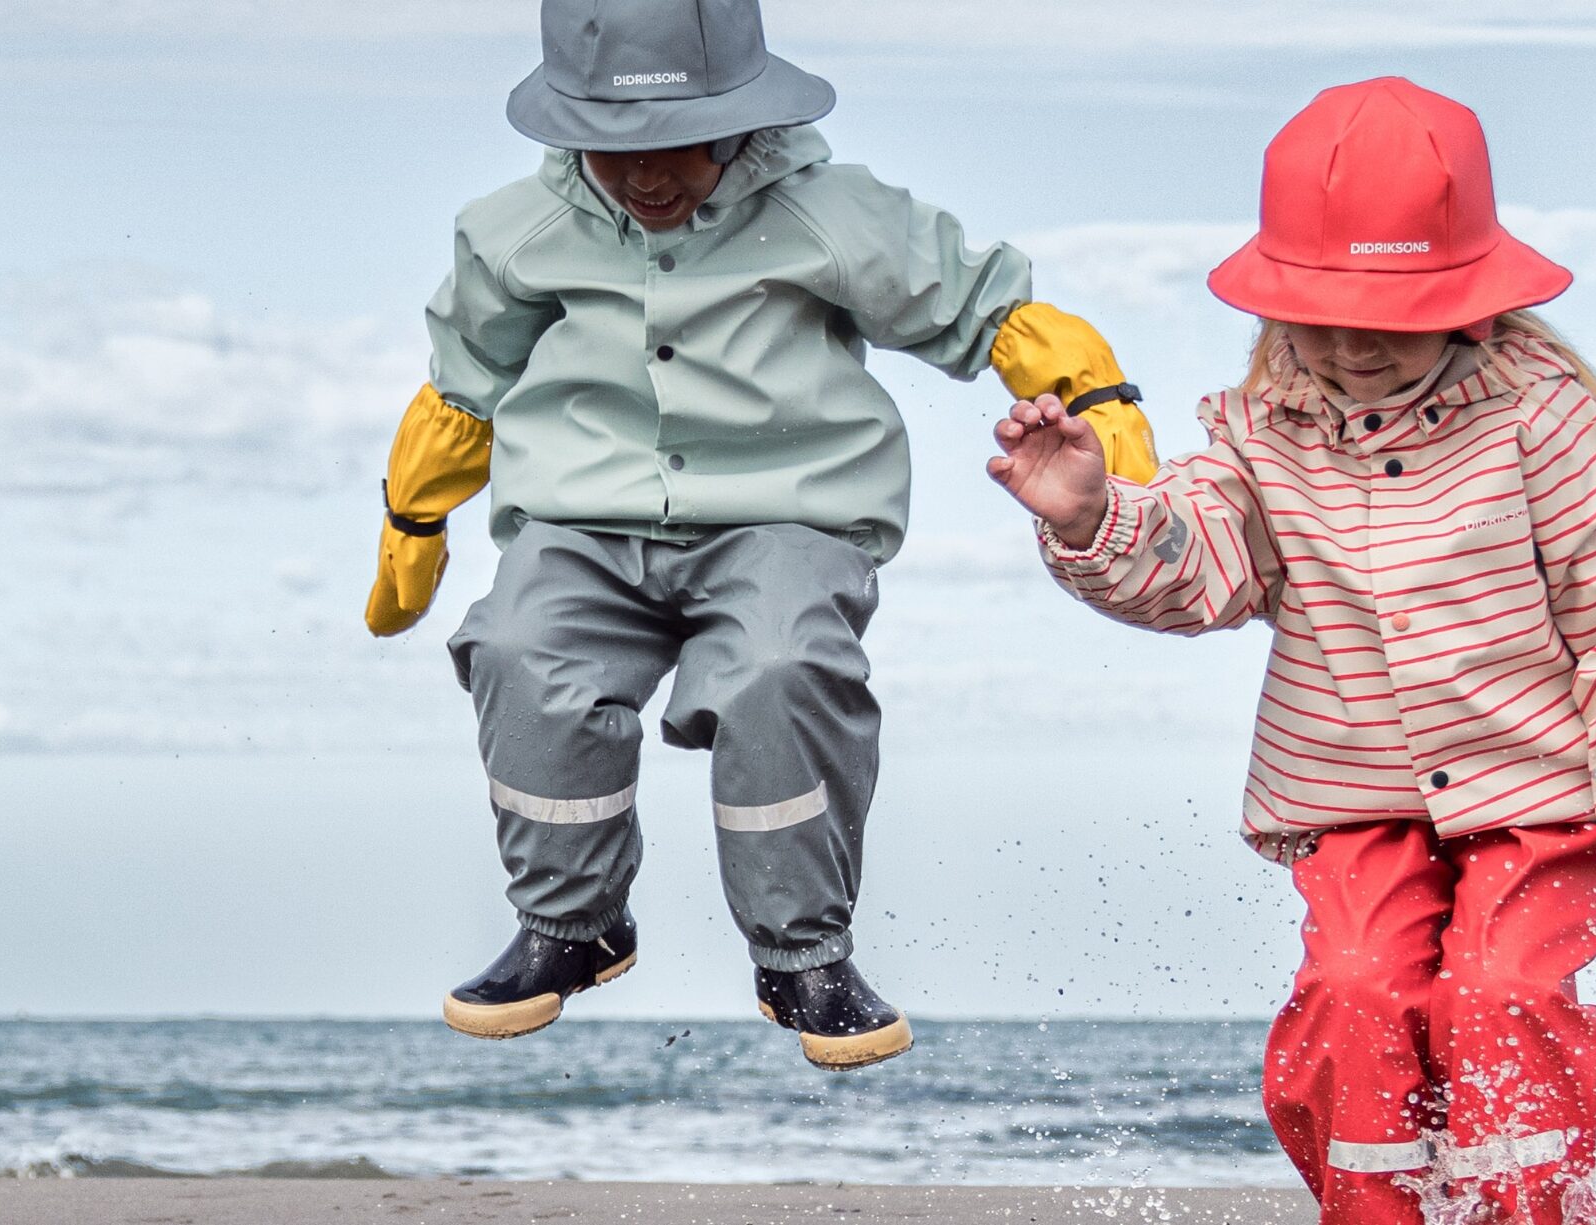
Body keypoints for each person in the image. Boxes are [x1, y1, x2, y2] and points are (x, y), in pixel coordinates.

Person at [362, 0, 1158, 1071]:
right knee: (516, 648)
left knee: (779, 669)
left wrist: (1107, 429)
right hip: (582, 523)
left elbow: (992, 314)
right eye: (615, 146)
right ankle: (569, 924)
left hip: (786, 516)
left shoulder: (831, 215)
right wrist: (413, 522)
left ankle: (802, 954)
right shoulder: (514, 233)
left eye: (681, 142)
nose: (649, 175)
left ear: (746, 116)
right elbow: (464, 386)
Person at [984, 77, 1596, 1222]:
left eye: (1386, 315)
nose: (1350, 345)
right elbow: (1199, 564)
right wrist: (1091, 517)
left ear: (1467, 298)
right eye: (1321, 315)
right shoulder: (1261, 437)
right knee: (1353, 991)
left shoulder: (1543, 426)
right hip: (1354, 802)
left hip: (1549, 796)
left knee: (1498, 991)